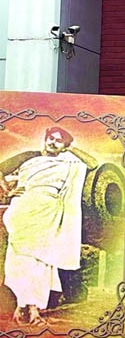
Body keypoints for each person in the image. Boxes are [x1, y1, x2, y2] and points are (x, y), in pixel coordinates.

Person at [0, 127, 97, 326]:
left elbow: (93, 163)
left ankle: (34, 310)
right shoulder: (29, 157)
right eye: (51, 138)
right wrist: (8, 191)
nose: (53, 142)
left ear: (64, 146)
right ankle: (21, 306)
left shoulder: (68, 162)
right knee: (19, 258)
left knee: (42, 260)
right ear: (45, 139)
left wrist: (72, 148)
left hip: (49, 211)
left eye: (59, 141)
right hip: (24, 208)